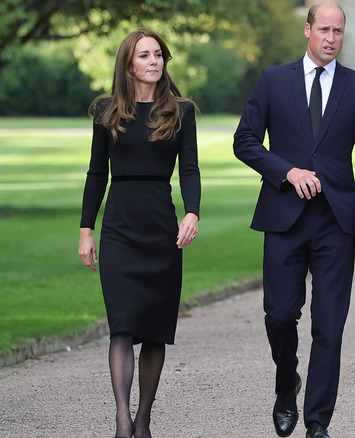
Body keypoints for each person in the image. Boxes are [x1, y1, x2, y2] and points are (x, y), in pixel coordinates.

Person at [232, 2, 355, 437]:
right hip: (284, 218)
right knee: (280, 315)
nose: (331, 38)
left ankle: (318, 422)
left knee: (330, 325)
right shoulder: (273, 80)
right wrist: (287, 171)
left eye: (338, 31)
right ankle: (286, 382)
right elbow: (245, 141)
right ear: (308, 30)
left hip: (336, 222)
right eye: (324, 29)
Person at [78, 29, 200, 438]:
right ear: (128, 63)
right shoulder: (107, 111)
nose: (154, 61)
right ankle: (122, 420)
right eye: (145, 55)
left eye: (159, 55)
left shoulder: (181, 111)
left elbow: (190, 170)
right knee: (123, 325)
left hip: (161, 227)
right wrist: (85, 230)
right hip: (119, 227)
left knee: (154, 330)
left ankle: (144, 419)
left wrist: (192, 213)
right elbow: (96, 174)